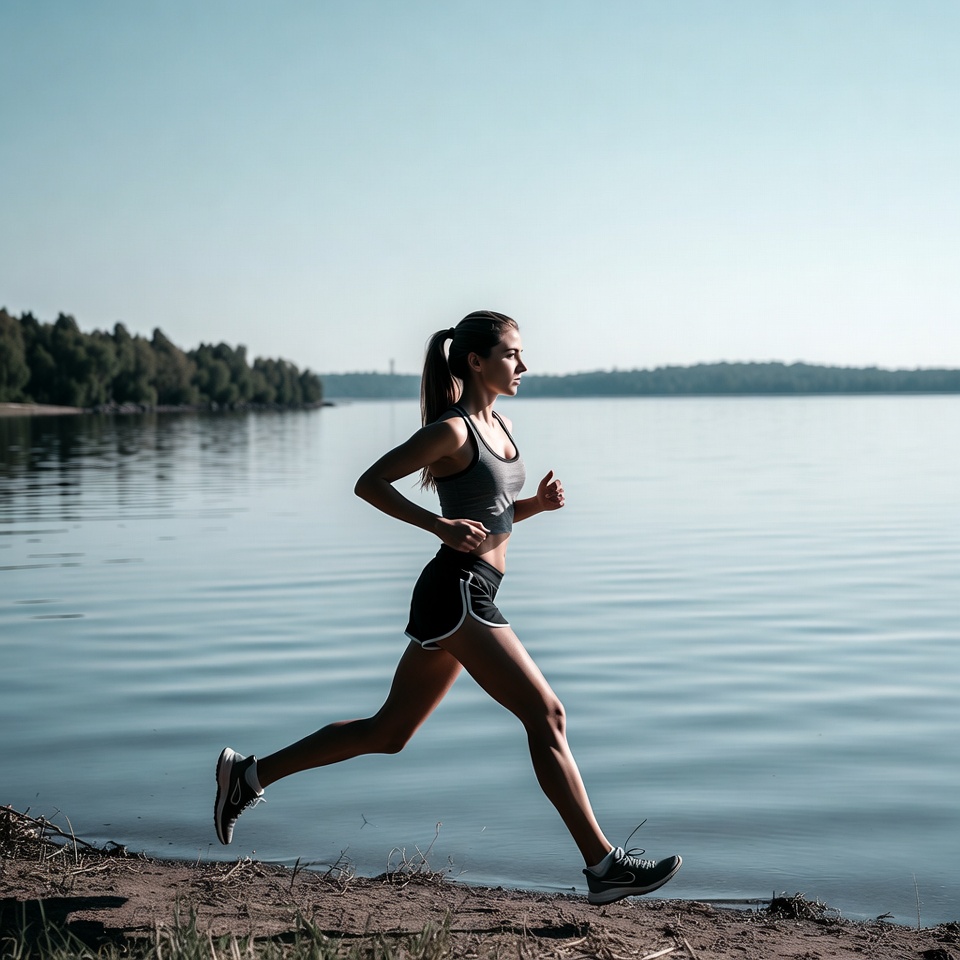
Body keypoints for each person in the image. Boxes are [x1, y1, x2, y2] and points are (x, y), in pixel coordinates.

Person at [214, 310, 681, 904]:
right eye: (512, 354)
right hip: (459, 591)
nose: (524, 365)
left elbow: (491, 514)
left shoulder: (501, 425)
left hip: (466, 591)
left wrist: (534, 505)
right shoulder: (453, 430)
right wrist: (435, 523)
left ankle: (247, 776)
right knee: (548, 715)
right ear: (475, 361)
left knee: (388, 732)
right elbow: (369, 483)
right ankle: (604, 865)